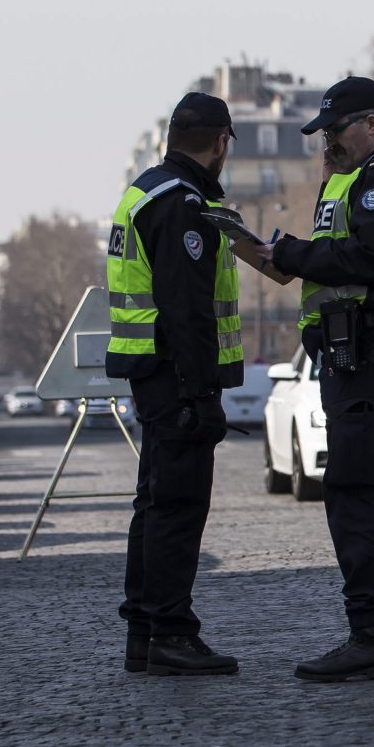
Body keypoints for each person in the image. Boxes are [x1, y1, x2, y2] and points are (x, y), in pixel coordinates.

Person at [232, 76, 374, 682]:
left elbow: (368, 259)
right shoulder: (365, 177)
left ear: (373, 125)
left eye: (334, 131)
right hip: (362, 354)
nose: (326, 144)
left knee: (358, 495)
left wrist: (291, 253)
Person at [106, 92, 246, 676]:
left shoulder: (145, 192)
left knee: (155, 502)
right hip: (175, 376)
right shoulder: (183, 205)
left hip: (151, 371)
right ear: (220, 144)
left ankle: (145, 628)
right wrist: (200, 394)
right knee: (179, 506)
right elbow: (187, 310)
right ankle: (170, 632)